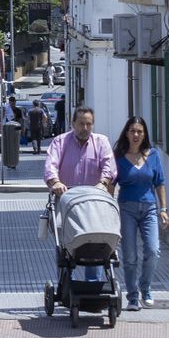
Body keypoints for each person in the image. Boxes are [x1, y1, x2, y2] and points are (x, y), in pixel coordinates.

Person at [45, 106, 118, 281]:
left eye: (89, 124)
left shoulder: (101, 142)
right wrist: (55, 182)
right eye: (81, 124)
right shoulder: (60, 142)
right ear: (73, 124)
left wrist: (103, 183)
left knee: (95, 242)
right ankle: (65, 286)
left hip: (93, 202)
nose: (85, 128)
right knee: (64, 247)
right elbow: (50, 165)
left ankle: (93, 286)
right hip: (66, 200)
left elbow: (109, 166)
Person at [112, 116, 168, 312]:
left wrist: (163, 209)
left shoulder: (152, 155)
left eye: (140, 131)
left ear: (144, 134)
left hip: (149, 208)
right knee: (129, 256)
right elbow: (110, 186)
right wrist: (110, 212)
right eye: (132, 131)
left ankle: (146, 287)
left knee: (153, 250)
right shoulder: (118, 157)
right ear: (127, 133)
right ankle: (133, 296)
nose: (136, 135)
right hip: (126, 208)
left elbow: (160, 183)